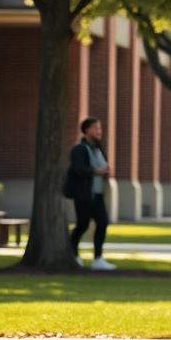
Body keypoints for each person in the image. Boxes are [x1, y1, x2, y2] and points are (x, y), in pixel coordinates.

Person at [66, 116, 115, 271]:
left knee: (103, 222)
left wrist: (106, 172)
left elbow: (102, 167)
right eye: (96, 128)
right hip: (84, 195)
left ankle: (98, 259)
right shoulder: (79, 149)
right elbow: (78, 169)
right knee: (82, 225)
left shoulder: (98, 148)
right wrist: (97, 171)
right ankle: (73, 255)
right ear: (87, 130)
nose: (100, 131)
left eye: (100, 128)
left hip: (98, 195)